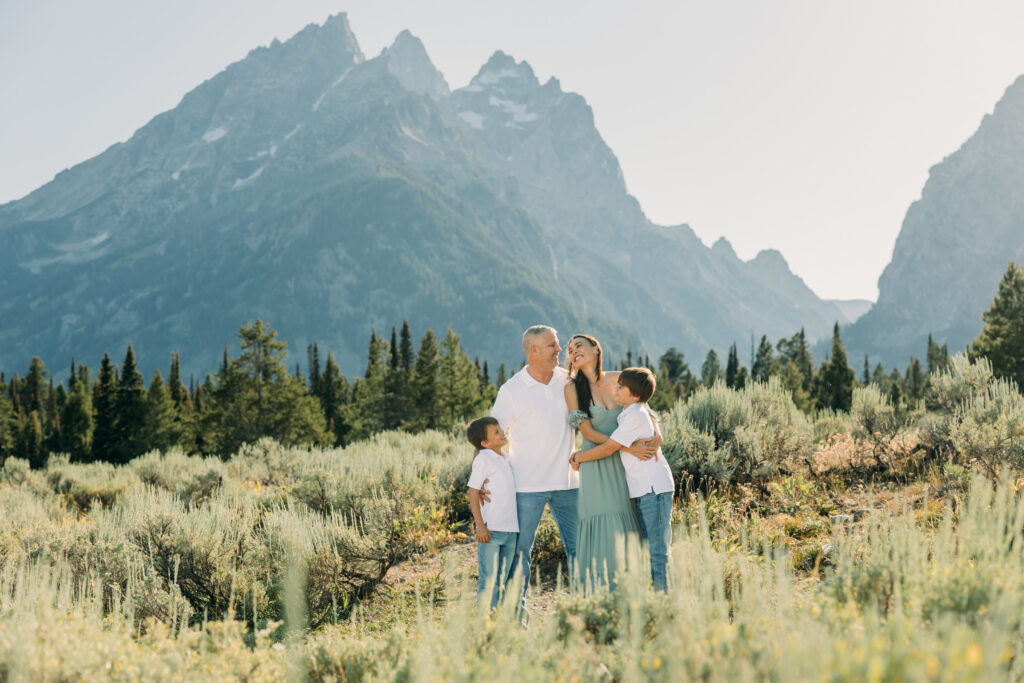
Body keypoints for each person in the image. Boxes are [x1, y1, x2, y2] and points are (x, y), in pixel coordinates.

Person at [488, 325, 577, 611]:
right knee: (518, 554)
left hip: (569, 484)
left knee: (581, 551)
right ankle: (515, 621)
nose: (559, 350)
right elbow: (490, 437)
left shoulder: (568, 381)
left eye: (558, 344)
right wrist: (490, 480)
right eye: (553, 345)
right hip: (527, 486)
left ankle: (588, 617)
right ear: (533, 351)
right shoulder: (512, 390)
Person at [570, 367, 674, 592]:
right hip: (645, 489)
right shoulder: (628, 412)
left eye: (620, 387)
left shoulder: (634, 416)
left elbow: (608, 448)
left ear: (635, 396)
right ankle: (656, 598)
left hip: (653, 489)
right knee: (648, 545)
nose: (615, 389)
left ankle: (664, 601)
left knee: (656, 548)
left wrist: (579, 457)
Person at [564, 334, 648, 591]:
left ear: (596, 349)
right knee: (606, 521)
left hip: (626, 462)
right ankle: (602, 593)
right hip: (597, 463)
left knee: (629, 516)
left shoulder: (619, 379)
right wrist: (628, 447)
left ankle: (633, 588)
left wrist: (655, 435)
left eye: (579, 345)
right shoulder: (571, 389)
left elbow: (643, 408)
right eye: (569, 349)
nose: (573, 350)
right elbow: (587, 433)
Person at [467, 416, 519, 610]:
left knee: (501, 581)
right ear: (485, 443)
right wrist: (480, 526)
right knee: (488, 580)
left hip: (511, 530)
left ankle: (495, 621)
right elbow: (473, 492)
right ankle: (483, 624)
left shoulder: (505, 457)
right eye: (496, 432)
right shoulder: (484, 459)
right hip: (492, 530)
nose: (502, 432)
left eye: (500, 429)